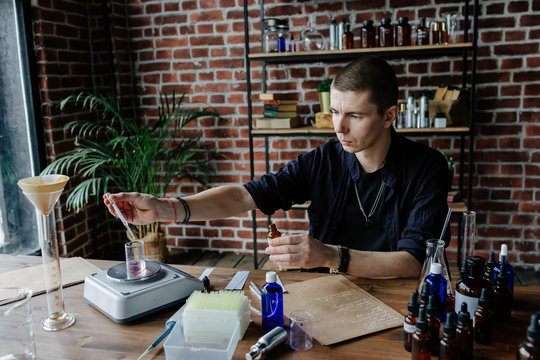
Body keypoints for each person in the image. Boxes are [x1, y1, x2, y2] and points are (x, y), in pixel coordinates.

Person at [104, 56, 449, 279]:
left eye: (355, 116)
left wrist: (330, 254)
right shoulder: (323, 160)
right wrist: (167, 208)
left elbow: (414, 261)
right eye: (335, 112)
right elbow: (244, 196)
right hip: (327, 290)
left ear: (389, 115)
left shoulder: (428, 168)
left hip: (398, 298)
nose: (339, 128)